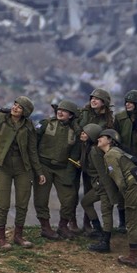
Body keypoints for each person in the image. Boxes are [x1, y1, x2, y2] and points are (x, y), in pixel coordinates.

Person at [0, 82, 46, 249]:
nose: (15, 108)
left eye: (20, 107)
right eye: (15, 105)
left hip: (23, 169)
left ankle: (18, 236)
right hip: (3, 167)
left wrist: (39, 172)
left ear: (25, 112)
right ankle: (1, 238)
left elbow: (32, 151)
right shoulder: (1, 119)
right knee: (3, 203)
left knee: (22, 203)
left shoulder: (28, 127)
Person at [97, 128, 137, 268]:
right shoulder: (120, 152)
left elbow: (119, 180)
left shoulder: (110, 155)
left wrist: (125, 196)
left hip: (134, 187)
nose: (99, 139)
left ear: (110, 140)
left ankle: (133, 257)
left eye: (102, 137)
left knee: (132, 222)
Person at [34, 99, 82, 239]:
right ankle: (45, 227)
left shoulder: (75, 132)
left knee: (70, 198)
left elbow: (75, 153)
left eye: (64, 111)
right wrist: (36, 168)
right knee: (41, 198)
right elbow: (33, 143)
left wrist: (69, 172)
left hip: (63, 168)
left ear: (71, 115)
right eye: (59, 110)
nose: (60, 112)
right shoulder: (46, 124)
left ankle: (63, 226)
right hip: (44, 166)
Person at [77, 88, 114, 232]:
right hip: (84, 154)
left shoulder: (109, 119)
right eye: (92, 98)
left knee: (97, 192)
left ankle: (100, 230)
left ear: (104, 102)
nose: (93, 100)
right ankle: (88, 225)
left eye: (97, 99)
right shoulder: (84, 113)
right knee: (86, 192)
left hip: (98, 156)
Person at [112, 89, 137, 231]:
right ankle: (123, 223)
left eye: (131, 103)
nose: (127, 105)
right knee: (122, 190)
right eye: (126, 102)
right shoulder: (120, 117)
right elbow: (115, 135)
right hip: (124, 156)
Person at [79, 123, 117, 253]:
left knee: (106, 212)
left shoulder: (94, 151)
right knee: (85, 202)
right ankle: (98, 230)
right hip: (98, 185)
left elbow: (102, 172)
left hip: (103, 186)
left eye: (85, 133)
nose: (82, 134)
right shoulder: (88, 148)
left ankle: (105, 242)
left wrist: (109, 192)